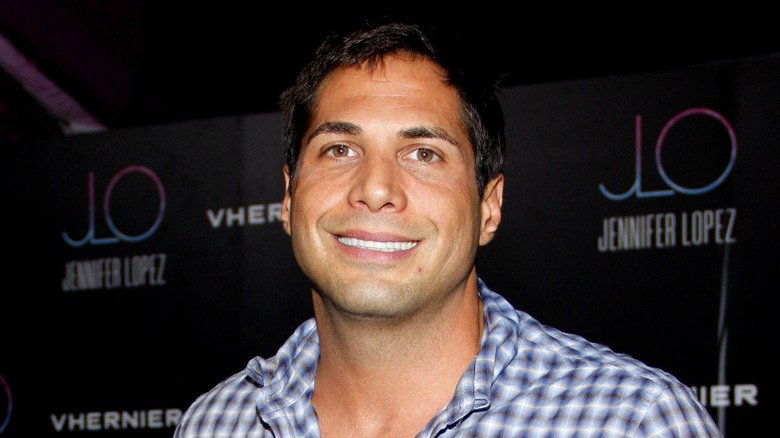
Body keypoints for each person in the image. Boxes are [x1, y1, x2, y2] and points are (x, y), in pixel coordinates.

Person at [175, 21, 722, 437]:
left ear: (489, 205)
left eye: (423, 153)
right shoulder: (214, 424)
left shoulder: (631, 422)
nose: (376, 187)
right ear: (290, 196)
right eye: (340, 149)